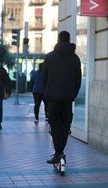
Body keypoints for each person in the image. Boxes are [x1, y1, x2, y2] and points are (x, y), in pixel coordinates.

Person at [43, 31, 82, 164]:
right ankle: (61, 151)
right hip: (67, 97)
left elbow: (44, 79)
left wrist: (47, 94)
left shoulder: (49, 57)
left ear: (58, 40)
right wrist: (72, 94)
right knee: (65, 124)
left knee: (54, 124)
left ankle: (58, 152)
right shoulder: (75, 58)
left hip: (53, 97)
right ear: (69, 39)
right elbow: (78, 80)